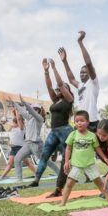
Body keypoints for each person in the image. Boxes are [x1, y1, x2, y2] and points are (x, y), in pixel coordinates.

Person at [27, 58, 74, 197]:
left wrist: (54, 68)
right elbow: (49, 87)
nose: (58, 89)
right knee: (44, 156)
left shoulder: (69, 99)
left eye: (61, 88)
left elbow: (59, 83)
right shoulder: (56, 100)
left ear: (66, 90)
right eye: (58, 89)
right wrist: (46, 71)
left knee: (65, 162)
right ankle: (36, 180)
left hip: (65, 132)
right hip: (54, 132)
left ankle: (58, 189)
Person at [61, 111, 108, 206]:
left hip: (89, 164)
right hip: (76, 164)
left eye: (82, 120)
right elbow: (68, 148)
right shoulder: (73, 134)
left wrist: (104, 157)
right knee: (69, 183)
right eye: (77, 121)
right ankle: (63, 203)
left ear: (88, 122)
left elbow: (97, 148)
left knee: (99, 182)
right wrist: (66, 161)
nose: (79, 123)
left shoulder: (92, 135)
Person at [60, 31, 100, 132]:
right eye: (80, 72)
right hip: (80, 122)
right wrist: (65, 61)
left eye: (84, 72)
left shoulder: (93, 82)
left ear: (90, 73)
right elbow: (71, 79)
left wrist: (80, 42)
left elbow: (88, 63)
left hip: (91, 122)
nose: (81, 74)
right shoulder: (80, 85)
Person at [13, 96, 47, 183]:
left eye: (36, 109)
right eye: (34, 109)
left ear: (39, 110)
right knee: (17, 159)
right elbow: (22, 111)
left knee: (47, 161)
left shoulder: (40, 118)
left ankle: (59, 173)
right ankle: (19, 180)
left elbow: (31, 111)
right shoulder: (29, 117)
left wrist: (24, 102)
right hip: (28, 144)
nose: (35, 110)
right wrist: (14, 102)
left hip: (36, 144)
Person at [0, 109, 36, 180]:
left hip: (20, 148)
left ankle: (37, 174)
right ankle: (2, 176)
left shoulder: (21, 128)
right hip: (13, 148)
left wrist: (16, 112)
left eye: (14, 123)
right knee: (10, 163)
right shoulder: (13, 128)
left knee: (27, 162)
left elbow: (18, 119)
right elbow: (15, 120)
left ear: (18, 123)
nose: (12, 124)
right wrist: (14, 113)